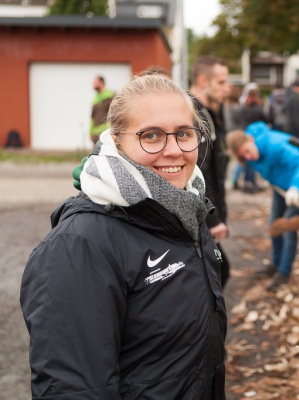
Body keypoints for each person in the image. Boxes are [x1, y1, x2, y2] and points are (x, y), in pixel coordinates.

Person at [21, 74, 226, 399]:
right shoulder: (80, 246)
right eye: (151, 136)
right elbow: (74, 388)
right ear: (116, 141)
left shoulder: (188, 210)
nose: (173, 150)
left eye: (184, 134)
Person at [226, 121, 299, 291]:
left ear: (250, 139)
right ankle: (275, 264)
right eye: (243, 156)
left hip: (296, 187)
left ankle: (284, 272)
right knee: (274, 226)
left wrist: (296, 187)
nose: (248, 157)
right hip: (279, 189)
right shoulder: (250, 156)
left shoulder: (275, 145)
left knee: (287, 229)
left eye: (246, 151)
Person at [189, 55, 232, 287]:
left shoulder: (209, 112)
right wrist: (214, 218)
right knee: (220, 271)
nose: (227, 88)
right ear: (203, 81)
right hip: (200, 214)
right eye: (221, 82)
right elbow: (200, 170)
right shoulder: (192, 115)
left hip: (205, 213)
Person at [231, 82, 267, 193]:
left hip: (242, 134)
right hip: (252, 137)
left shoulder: (242, 107)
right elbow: (264, 120)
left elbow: (236, 119)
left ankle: (235, 180)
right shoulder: (258, 108)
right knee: (250, 159)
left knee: (241, 159)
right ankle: (250, 182)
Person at [90, 75, 115, 145]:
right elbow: (92, 117)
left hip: (107, 131)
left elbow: (116, 112)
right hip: (96, 134)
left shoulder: (110, 94)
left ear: (101, 83)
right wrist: (91, 132)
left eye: (95, 82)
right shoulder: (95, 98)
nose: (93, 84)